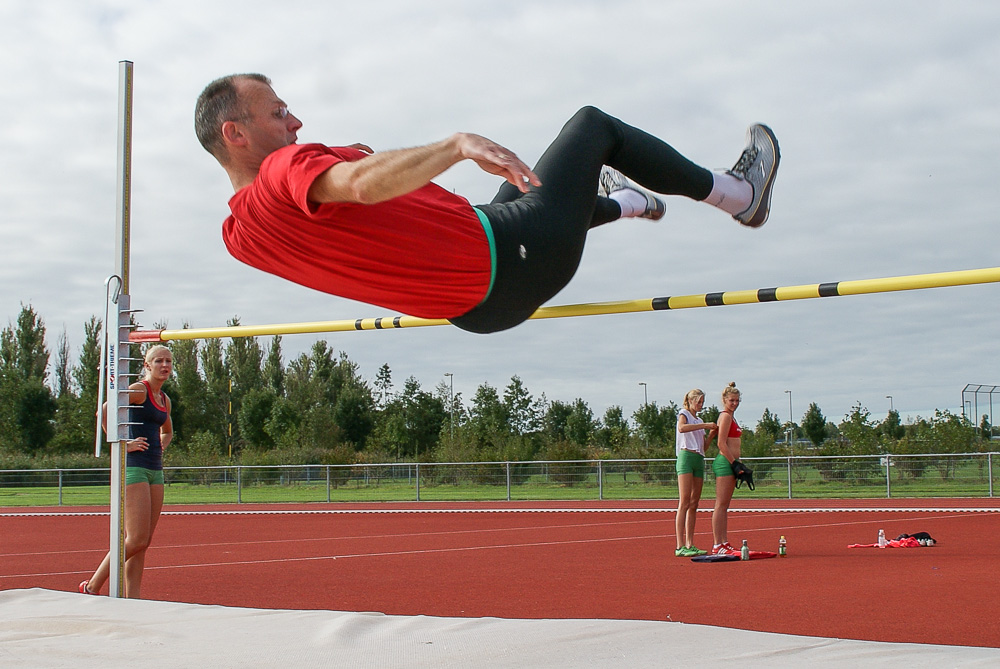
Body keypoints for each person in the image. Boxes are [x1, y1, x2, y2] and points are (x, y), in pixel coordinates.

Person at [194, 74, 780, 333]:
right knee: (594, 127)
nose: (295, 121)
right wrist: (454, 146)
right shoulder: (281, 171)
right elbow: (359, 186)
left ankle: (626, 204)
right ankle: (739, 196)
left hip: (479, 313)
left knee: (523, 190)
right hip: (515, 258)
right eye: (277, 113)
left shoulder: (239, 239)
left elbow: (357, 225)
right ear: (234, 135)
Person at [79, 345, 173, 598]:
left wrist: (161, 447)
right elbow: (107, 409)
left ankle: (133, 599)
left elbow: (167, 431)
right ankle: (91, 586)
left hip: (155, 470)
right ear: (147, 365)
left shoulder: (164, 399)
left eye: (168, 362)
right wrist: (122, 444)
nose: (164, 366)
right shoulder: (139, 390)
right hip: (133, 469)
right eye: (159, 361)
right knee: (136, 539)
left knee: (143, 544)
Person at [674, 389, 717, 557]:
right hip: (686, 457)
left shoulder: (699, 420)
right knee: (684, 501)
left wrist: (712, 433)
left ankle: (690, 543)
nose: (700, 405)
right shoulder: (684, 414)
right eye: (698, 402)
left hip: (698, 459)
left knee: (694, 502)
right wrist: (705, 425)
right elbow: (682, 428)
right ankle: (680, 545)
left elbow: (703, 446)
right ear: (690, 401)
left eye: (702, 403)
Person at [711, 382, 743, 555]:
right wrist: (734, 463)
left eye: (737, 401)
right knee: (720, 504)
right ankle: (717, 543)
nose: (735, 404)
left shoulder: (731, 417)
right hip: (725, 462)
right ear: (724, 400)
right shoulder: (725, 416)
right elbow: (721, 443)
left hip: (731, 462)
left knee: (725, 505)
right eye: (732, 400)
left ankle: (724, 541)